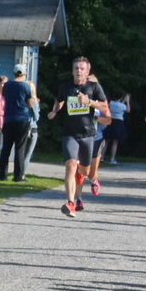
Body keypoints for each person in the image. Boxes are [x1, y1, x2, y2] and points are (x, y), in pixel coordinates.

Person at [45, 56, 109, 218]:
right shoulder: (65, 87)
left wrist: (89, 102)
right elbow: (59, 101)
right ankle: (70, 203)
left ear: (87, 72)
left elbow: (105, 107)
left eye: (82, 69)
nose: (78, 71)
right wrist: (55, 110)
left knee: (84, 170)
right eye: (76, 68)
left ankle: (83, 175)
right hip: (70, 133)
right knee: (70, 164)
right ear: (72, 70)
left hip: (88, 134)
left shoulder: (94, 87)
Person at [0, 65, 38, 181]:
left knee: (6, 147)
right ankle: (18, 176)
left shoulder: (7, 86)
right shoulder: (26, 87)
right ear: (24, 74)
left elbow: (4, 98)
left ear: (13, 73)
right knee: (20, 148)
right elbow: (30, 104)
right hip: (22, 119)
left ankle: (3, 175)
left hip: (8, 119)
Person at [100, 90, 129, 166]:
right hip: (118, 123)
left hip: (110, 120)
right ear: (121, 97)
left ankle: (101, 157)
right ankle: (112, 159)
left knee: (106, 141)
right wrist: (127, 101)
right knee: (115, 142)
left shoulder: (111, 103)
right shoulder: (122, 106)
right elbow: (128, 110)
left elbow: (118, 105)